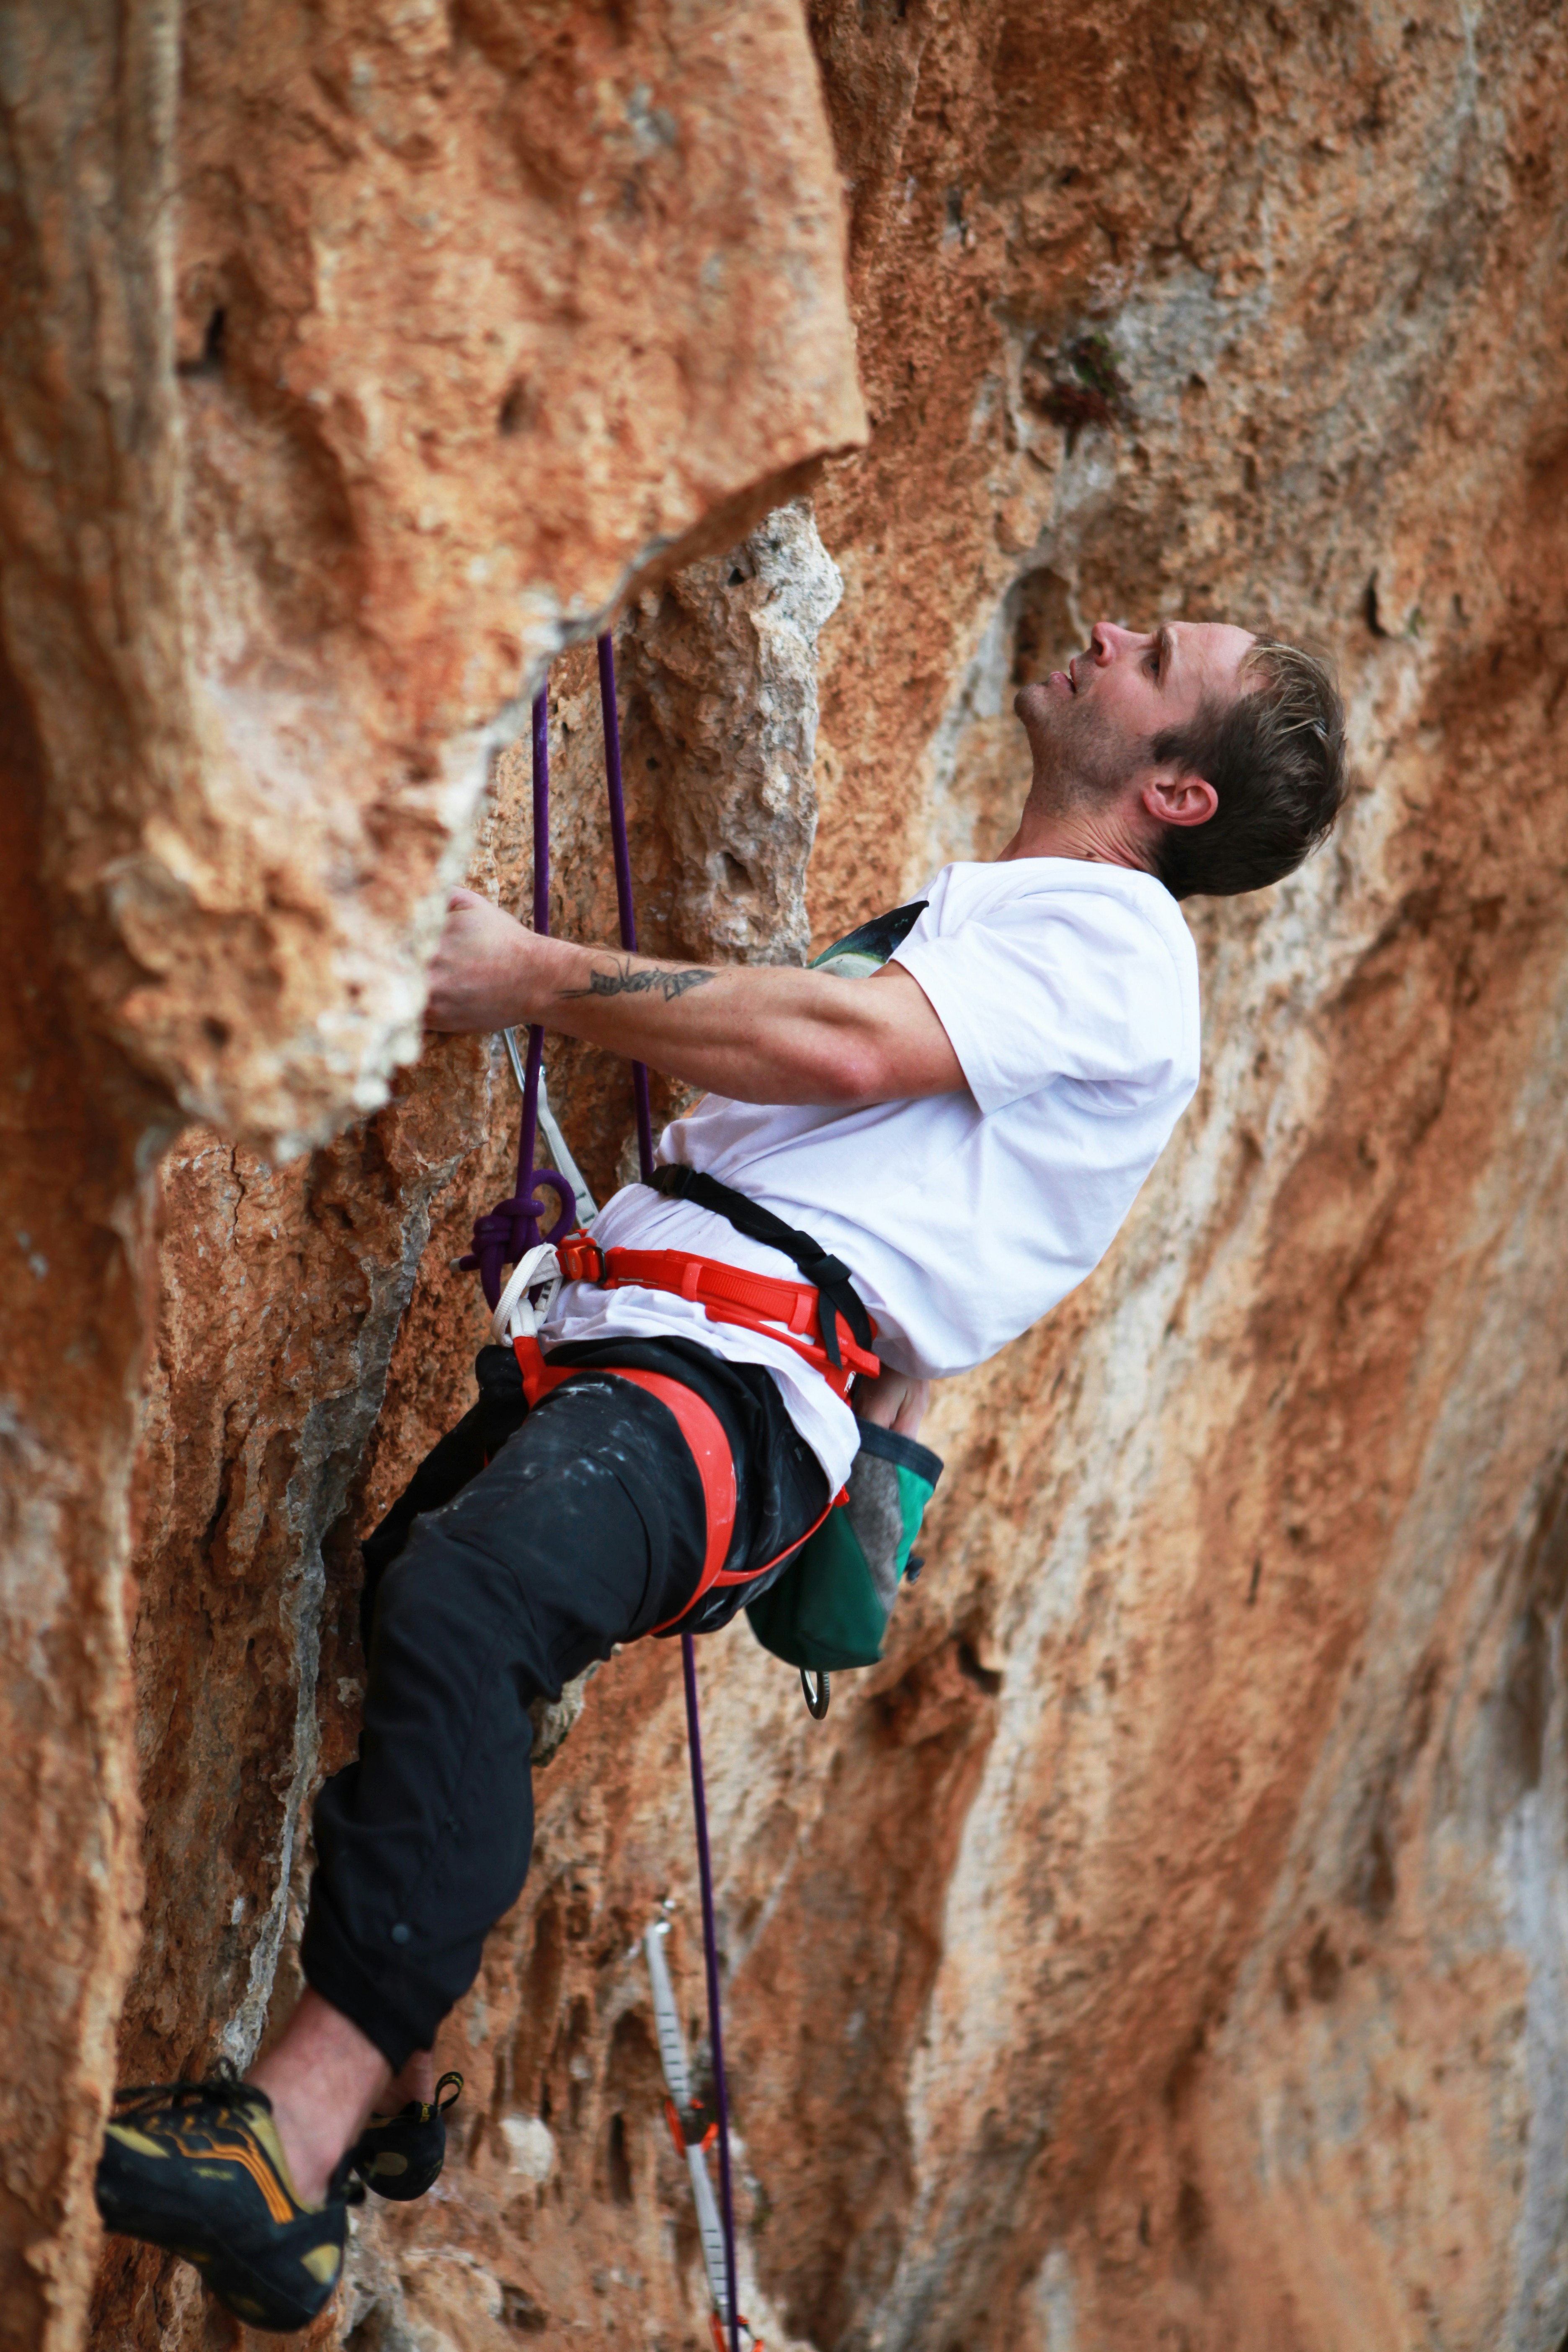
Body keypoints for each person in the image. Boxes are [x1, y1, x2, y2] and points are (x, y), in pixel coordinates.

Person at [96, 619, 1348, 2330]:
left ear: (1176, 787)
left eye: (1158, 653)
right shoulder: (1019, 925)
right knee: (421, 1598)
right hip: (667, 1341)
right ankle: (390, 2108)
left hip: (738, 1386)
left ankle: (288, 2137)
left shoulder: (1117, 944)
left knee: (470, 1598)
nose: (1113, 629)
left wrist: (534, 975)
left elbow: (839, 1050)